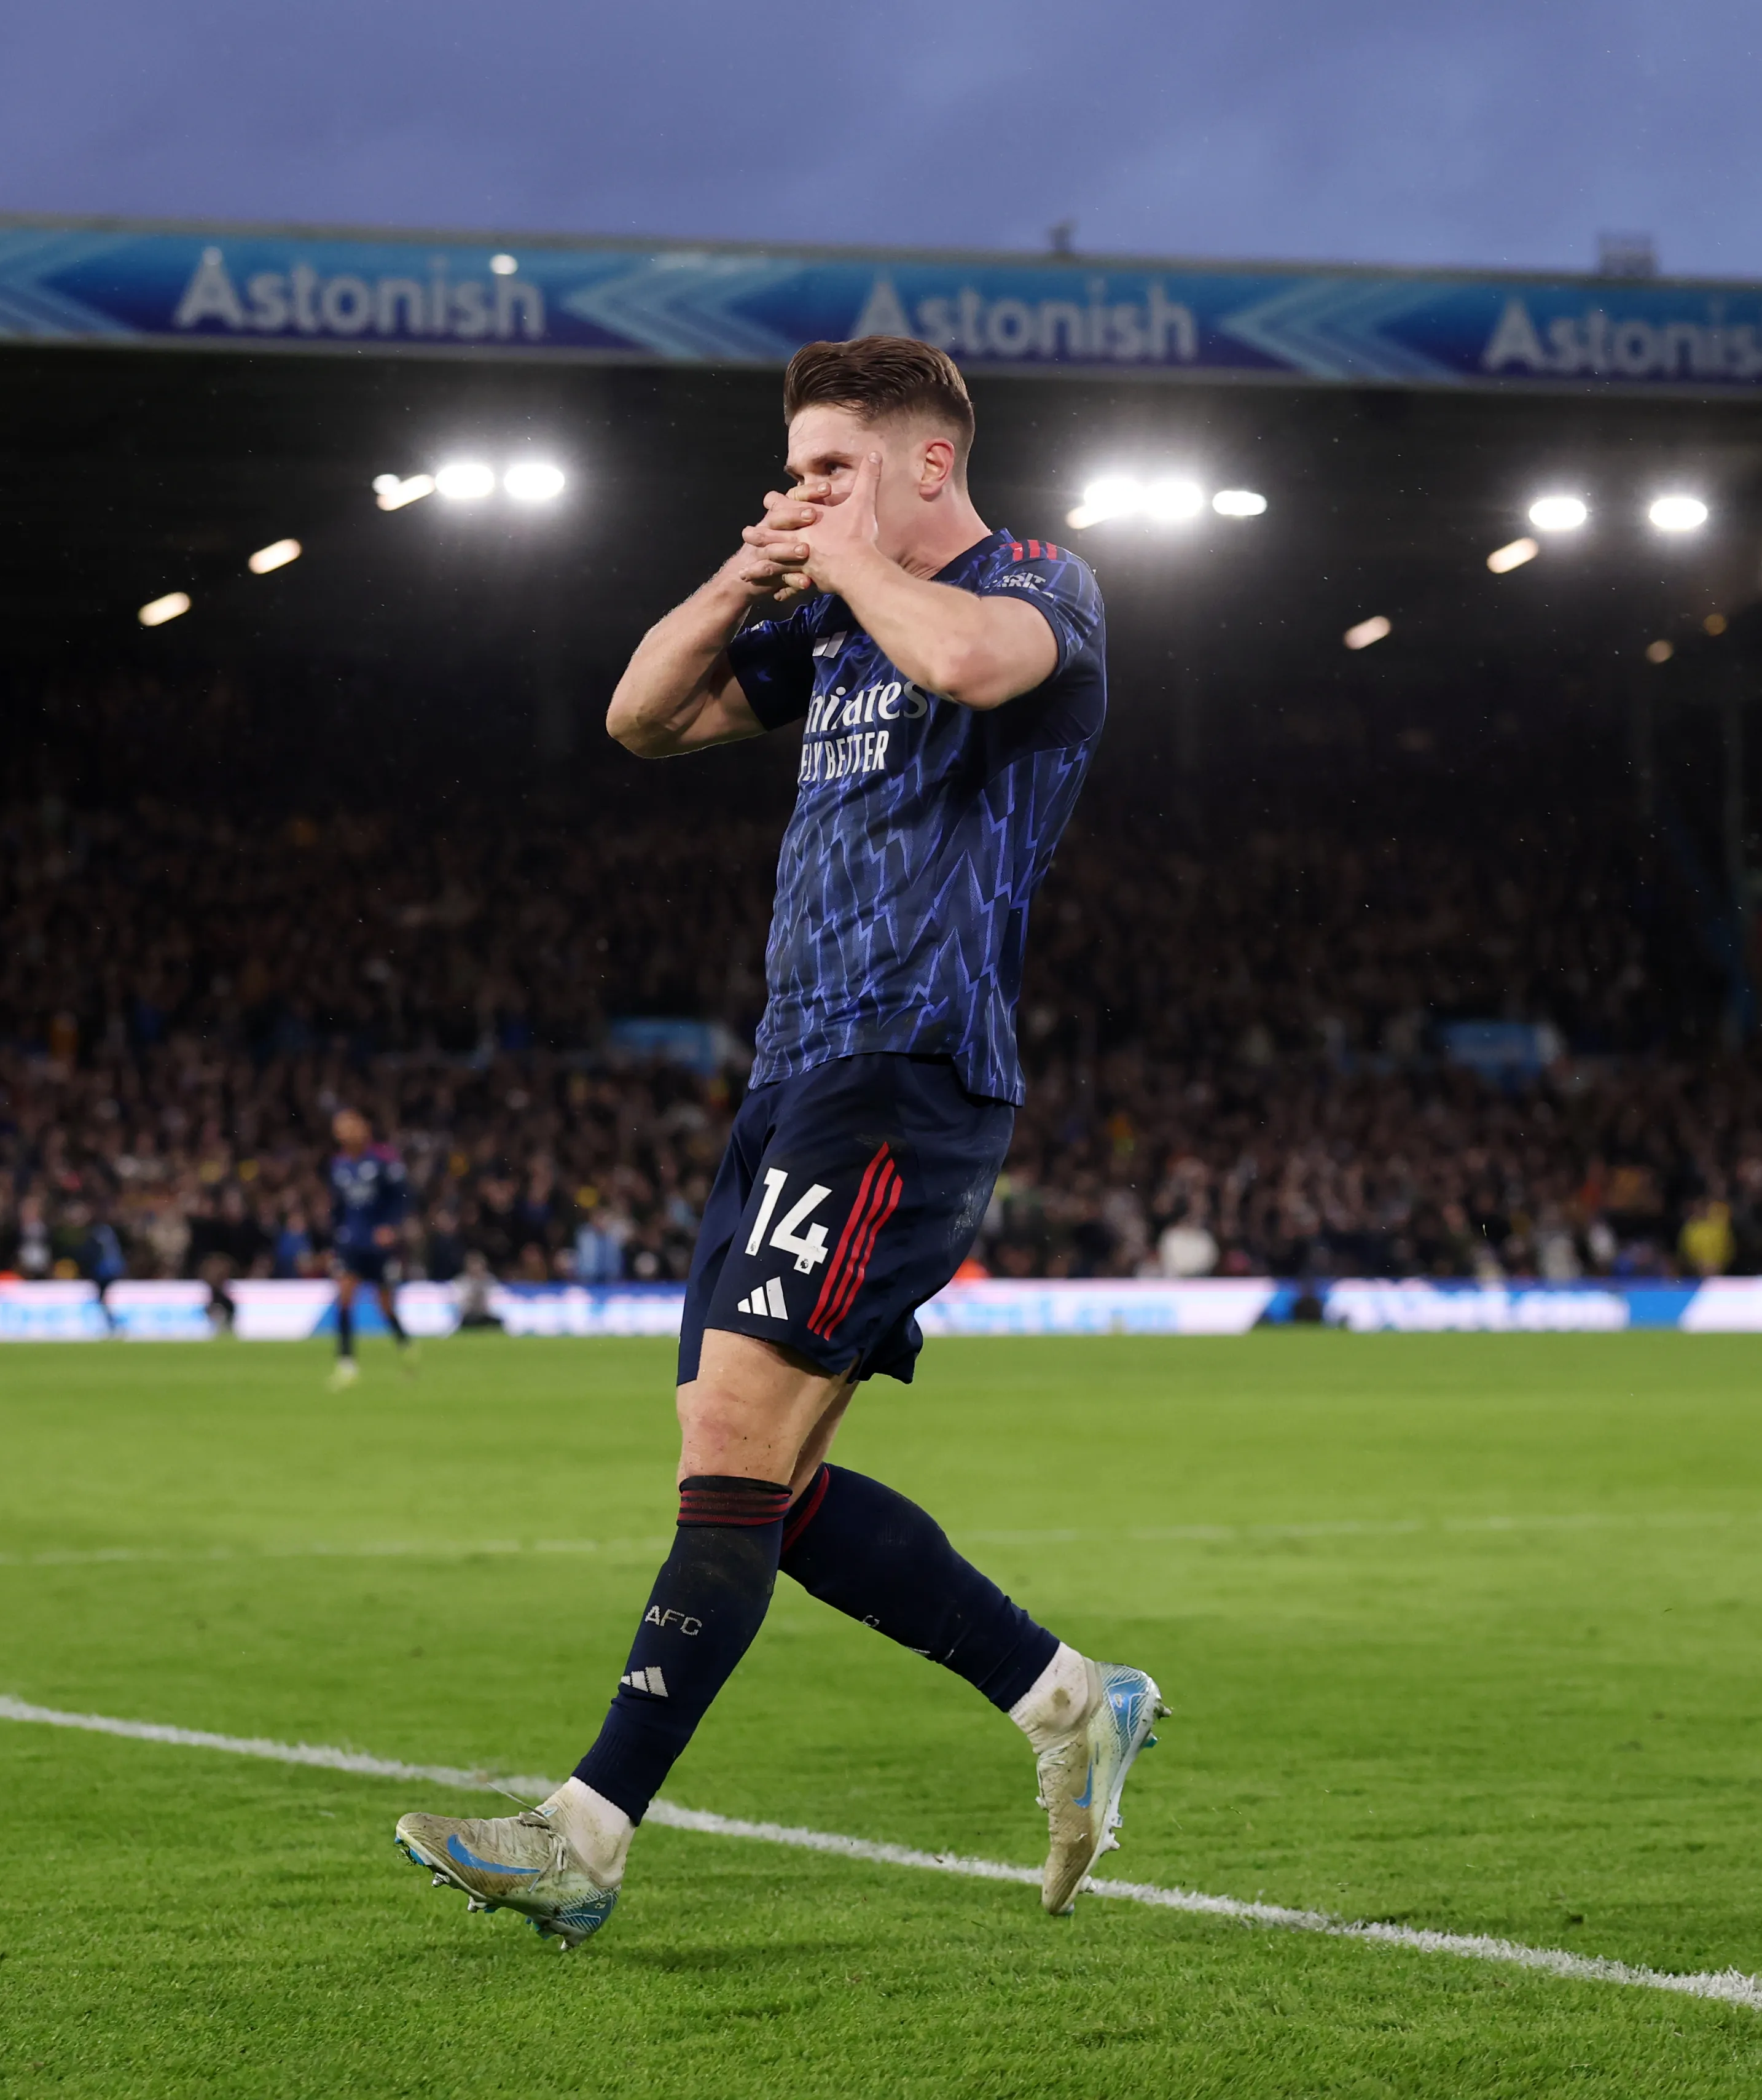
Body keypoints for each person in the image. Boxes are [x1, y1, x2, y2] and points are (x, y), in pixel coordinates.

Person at [391, 335, 1162, 1950]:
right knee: (763, 1489)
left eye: (833, 468)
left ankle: (584, 1836)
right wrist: (753, 570)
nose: (806, 495)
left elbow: (963, 667)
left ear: (929, 464)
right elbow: (640, 715)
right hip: (788, 1077)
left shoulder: (1041, 586)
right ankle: (1066, 1695)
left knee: (735, 1451)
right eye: (794, 469)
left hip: (909, 1068)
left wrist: (855, 559)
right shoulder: (820, 617)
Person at [323, 1107, 417, 1389]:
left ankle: (406, 1347)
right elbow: (337, 1208)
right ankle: (347, 1363)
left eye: (351, 1125)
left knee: (385, 1306)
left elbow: (403, 1197)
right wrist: (333, 1241)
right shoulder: (338, 1166)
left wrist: (392, 1226)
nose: (346, 1132)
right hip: (351, 1244)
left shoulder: (384, 1160)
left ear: (364, 1127)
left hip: (379, 1246)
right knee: (344, 1298)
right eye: (340, 1127)